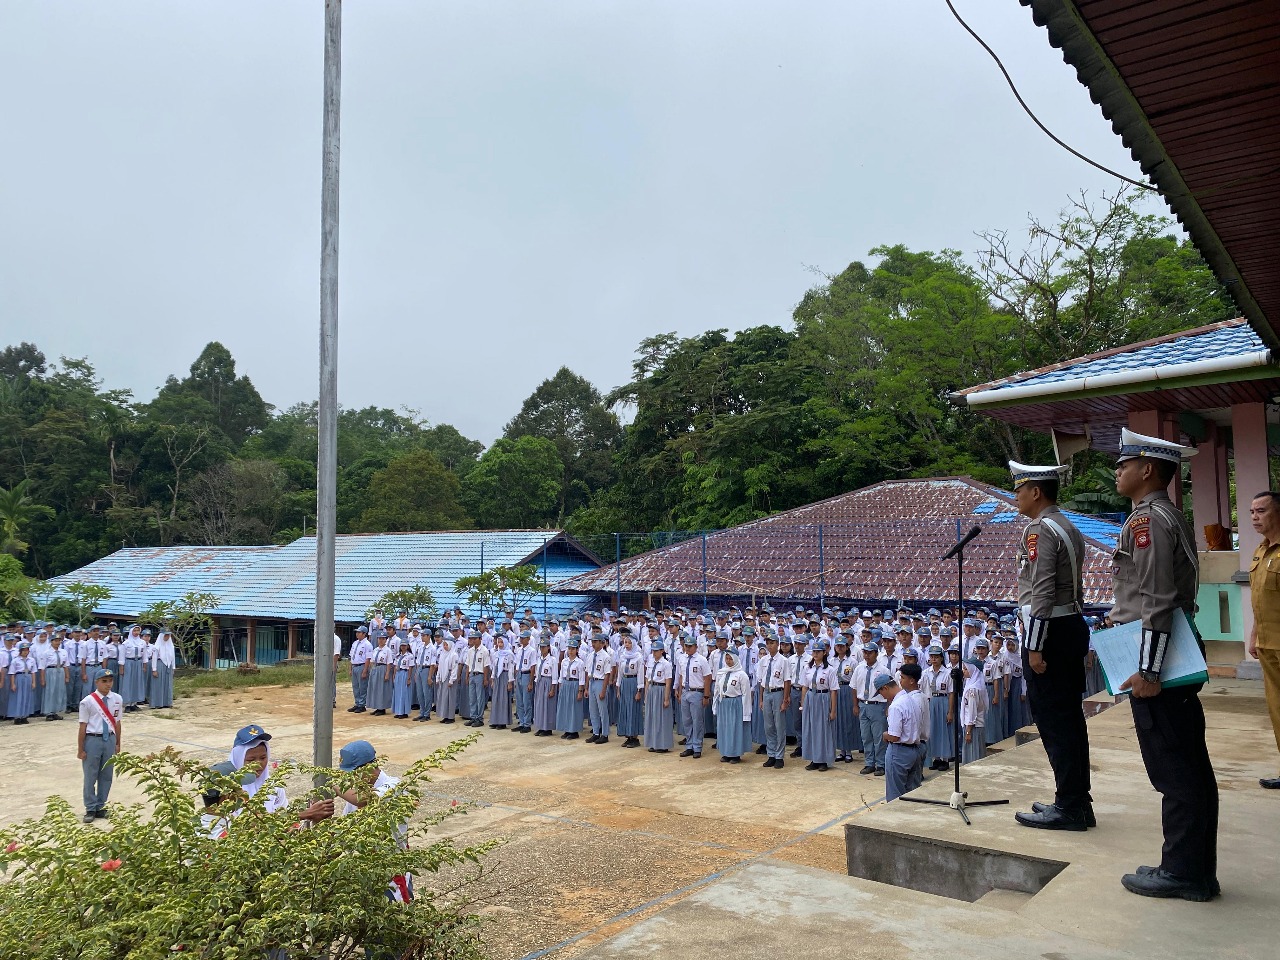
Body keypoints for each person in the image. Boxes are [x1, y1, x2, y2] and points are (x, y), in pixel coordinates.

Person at [1110, 428, 1218, 902]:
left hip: (1161, 660)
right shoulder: (1166, 515)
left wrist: (1150, 670)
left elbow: (1156, 600)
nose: (1117, 471)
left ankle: (1183, 872)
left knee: (1175, 769)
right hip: (1170, 651)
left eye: (1124, 464)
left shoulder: (1148, 521)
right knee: (1186, 764)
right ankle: (1189, 867)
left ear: (1148, 469)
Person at [1008, 460, 1094, 833]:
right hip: (1069, 625)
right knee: (1070, 719)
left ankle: (1069, 805)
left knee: (1055, 722)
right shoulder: (1067, 525)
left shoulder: (1040, 529)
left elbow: (1041, 589)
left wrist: (1035, 646)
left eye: (1019, 489)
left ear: (1036, 492)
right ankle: (1076, 800)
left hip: (1050, 632)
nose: (1016, 496)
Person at [334, 740, 413, 904]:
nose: (349, 780)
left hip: (392, 876)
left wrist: (333, 785)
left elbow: (363, 800)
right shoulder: (357, 792)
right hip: (366, 873)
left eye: (352, 774)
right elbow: (342, 833)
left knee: (396, 915)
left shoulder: (393, 786)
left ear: (369, 768)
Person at [1246, 490, 1280, 790]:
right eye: (1252, 512)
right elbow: (1260, 598)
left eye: (1262, 511)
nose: (1255, 517)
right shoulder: (1261, 550)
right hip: (1269, 646)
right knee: (1277, 710)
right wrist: (1254, 634)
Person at [78, 670, 122, 823]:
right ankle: (90, 807)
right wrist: (80, 749)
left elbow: (117, 722)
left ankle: (100, 805)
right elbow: (83, 726)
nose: (108, 684)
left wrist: (118, 743)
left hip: (109, 738)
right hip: (93, 739)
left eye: (110, 681)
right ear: (96, 682)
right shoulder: (88, 701)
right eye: (104, 681)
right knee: (90, 775)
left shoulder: (117, 699)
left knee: (106, 775)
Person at [882, 663, 927, 801]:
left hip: (901, 750)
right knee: (912, 791)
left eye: (902, 677)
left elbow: (895, 736)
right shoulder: (912, 698)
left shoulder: (900, 704)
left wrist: (885, 735)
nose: (900, 681)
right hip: (915, 747)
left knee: (895, 794)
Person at [799, 639, 837, 772]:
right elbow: (804, 687)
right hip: (811, 698)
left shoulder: (830, 669)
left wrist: (833, 710)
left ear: (824, 653)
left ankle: (823, 760)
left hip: (823, 698)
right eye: (814, 651)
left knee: (823, 729)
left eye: (818, 651)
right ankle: (813, 758)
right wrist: (803, 704)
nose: (815, 654)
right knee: (810, 728)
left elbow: (833, 691)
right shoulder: (807, 668)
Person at [756, 633, 792, 769]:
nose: (769, 645)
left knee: (779, 725)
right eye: (768, 643)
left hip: (778, 692)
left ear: (778, 644)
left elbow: (787, 681)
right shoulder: (763, 660)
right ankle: (771, 754)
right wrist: (760, 699)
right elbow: (761, 681)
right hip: (767, 692)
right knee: (768, 726)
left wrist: (785, 699)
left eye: (772, 643)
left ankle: (779, 756)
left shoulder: (783, 661)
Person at [852, 641, 887, 776]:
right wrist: (855, 705)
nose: (866, 655)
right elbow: (854, 687)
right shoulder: (859, 668)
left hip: (877, 705)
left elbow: (888, 690)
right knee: (866, 736)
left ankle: (881, 764)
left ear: (876, 654)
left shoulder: (883, 670)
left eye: (869, 653)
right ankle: (869, 763)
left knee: (879, 737)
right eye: (865, 652)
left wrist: (887, 707)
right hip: (863, 704)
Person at [676, 636, 711, 759]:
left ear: (696, 647)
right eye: (686, 646)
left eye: (690, 646)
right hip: (686, 691)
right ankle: (689, 745)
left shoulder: (701, 660)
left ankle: (697, 746)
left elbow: (707, 678)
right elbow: (681, 676)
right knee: (687, 721)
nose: (688, 648)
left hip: (697, 691)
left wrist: (706, 695)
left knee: (697, 721)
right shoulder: (682, 658)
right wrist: (680, 691)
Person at [712, 650, 750, 763]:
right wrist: (715, 705)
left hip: (735, 704)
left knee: (734, 729)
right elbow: (717, 690)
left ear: (736, 659)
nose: (728, 661)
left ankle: (735, 754)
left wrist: (746, 713)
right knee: (724, 728)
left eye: (730, 659)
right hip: (723, 703)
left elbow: (746, 694)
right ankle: (726, 752)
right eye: (727, 659)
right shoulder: (721, 673)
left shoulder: (741, 675)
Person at [642, 639, 674, 753]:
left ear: (662, 651)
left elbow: (668, 682)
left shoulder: (666, 664)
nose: (654, 653)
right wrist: (646, 694)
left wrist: (666, 698)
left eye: (656, 651)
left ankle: (663, 744)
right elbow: (647, 680)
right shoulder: (650, 662)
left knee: (661, 718)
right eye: (653, 651)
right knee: (651, 717)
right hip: (652, 688)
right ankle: (653, 743)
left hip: (661, 689)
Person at [584, 631, 615, 744]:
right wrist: (586, 688)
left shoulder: (606, 656)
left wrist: (603, 690)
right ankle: (596, 732)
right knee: (593, 710)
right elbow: (588, 672)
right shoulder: (590, 655)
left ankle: (605, 734)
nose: (593, 644)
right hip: (592, 681)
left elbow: (607, 674)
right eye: (592, 641)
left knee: (602, 710)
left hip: (600, 682)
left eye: (596, 642)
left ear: (602, 643)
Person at [615, 631, 644, 748]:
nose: (626, 645)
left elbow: (640, 674)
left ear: (634, 644)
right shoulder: (622, 656)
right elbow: (620, 673)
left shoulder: (638, 657)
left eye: (629, 643)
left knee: (633, 709)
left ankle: (635, 737)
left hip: (633, 682)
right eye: (625, 642)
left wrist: (639, 690)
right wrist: (618, 688)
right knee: (625, 709)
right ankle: (628, 735)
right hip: (625, 682)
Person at [554, 637, 585, 739]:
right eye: (569, 649)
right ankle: (567, 729)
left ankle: (574, 730)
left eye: (573, 649)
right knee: (565, 707)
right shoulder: (564, 661)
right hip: (565, 684)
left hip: (574, 684)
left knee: (573, 708)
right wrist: (560, 687)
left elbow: (581, 678)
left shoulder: (579, 662)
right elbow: (561, 675)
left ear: (577, 650)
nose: (570, 651)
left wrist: (580, 691)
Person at [959, 659, 987, 764]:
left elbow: (972, 711)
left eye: (966, 669)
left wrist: (968, 731)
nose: (963, 671)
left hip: (973, 727)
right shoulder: (971, 684)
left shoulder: (973, 689)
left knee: (973, 755)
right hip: (971, 726)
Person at [532, 637, 558, 736]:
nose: (542, 649)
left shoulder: (552, 660)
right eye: (541, 647)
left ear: (548, 647)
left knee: (547, 705)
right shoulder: (539, 659)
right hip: (540, 681)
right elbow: (537, 672)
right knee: (539, 705)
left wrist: (552, 689)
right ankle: (540, 726)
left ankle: (547, 728)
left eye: (544, 647)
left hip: (548, 682)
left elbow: (554, 675)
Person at [7, 640, 37, 724]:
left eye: (27, 650)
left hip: (28, 677)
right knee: (19, 697)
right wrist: (13, 684)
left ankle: (25, 716)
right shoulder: (15, 660)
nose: (25, 652)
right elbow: (12, 673)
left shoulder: (31, 660)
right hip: (19, 677)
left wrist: (34, 682)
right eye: (23, 650)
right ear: (20, 651)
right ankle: (17, 716)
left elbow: (33, 672)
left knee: (27, 697)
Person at [348, 626, 374, 714]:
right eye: (357, 632)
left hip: (361, 666)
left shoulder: (367, 644)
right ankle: (357, 703)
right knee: (355, 686)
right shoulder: (355, 643)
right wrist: (350, 668)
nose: (357, 634)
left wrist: (365, 670)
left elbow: (368, 658)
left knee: (362, 686)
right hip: (354, 666)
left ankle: (362, 704)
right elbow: (351, 656)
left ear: (364, 634)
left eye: (359, 632)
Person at [148, 630, 176, 709]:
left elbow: (173, 657)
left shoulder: (171, 646)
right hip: (159, 664)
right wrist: (154, 669)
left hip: (168, 665)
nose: (167, 637)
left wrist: (173, 667)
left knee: (168, 684)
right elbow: (154, 658)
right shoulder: (157, 646)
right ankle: (157, 703)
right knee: (158, 684)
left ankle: (167, 702)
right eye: (165, 635)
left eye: (168, 635)